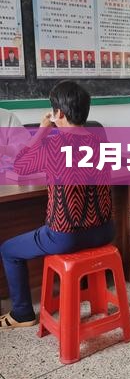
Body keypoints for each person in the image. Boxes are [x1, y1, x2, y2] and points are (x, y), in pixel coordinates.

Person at [0, 81, 113, 329]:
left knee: (8, 249)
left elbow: (20, 165)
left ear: (58, 113)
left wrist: (42, 131)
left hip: (67, 236)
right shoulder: (101, 143)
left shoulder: (54, 145)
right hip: (105, 231)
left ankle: (22, 313)